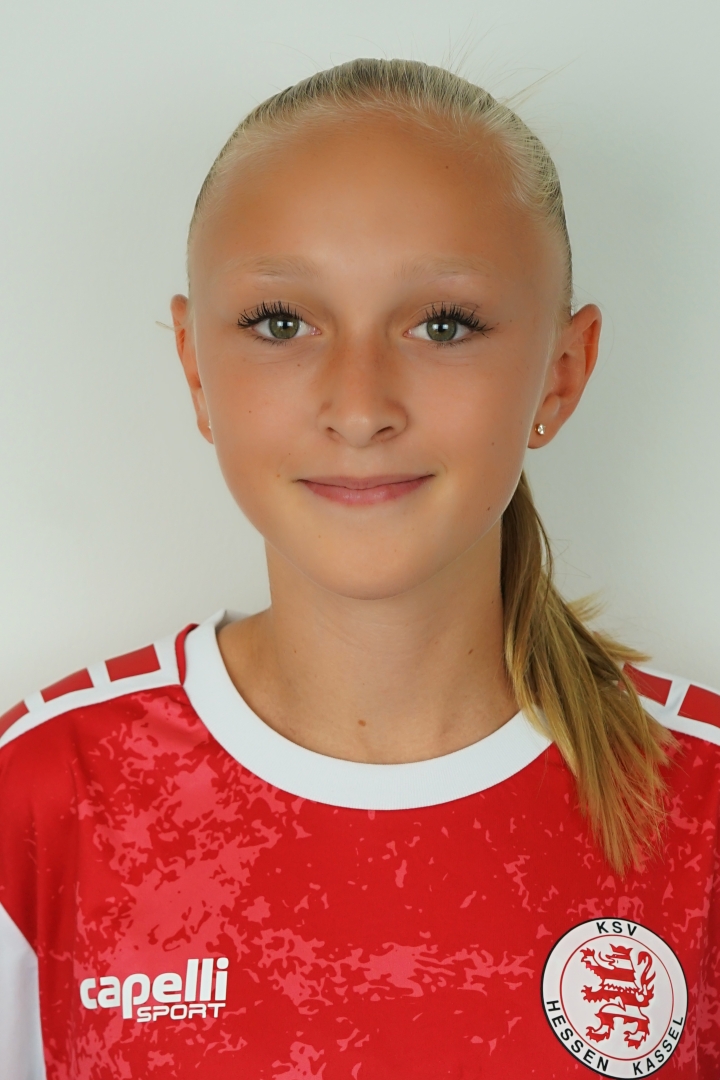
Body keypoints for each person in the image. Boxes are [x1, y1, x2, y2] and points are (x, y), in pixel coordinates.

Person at [1, 58, 718, 1080]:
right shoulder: (45, 798)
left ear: (563, 373)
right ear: (196, 368)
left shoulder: (703, 810)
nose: (359, 405)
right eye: (281, 323)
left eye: (444, 325)